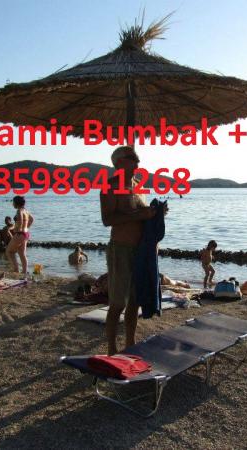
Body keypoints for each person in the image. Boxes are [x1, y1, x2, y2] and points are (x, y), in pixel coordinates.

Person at [100, 146, 157, 356]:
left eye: (137, 158)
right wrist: (140, 215)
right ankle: (111, 349)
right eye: (133, 158)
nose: (137, 162)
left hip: (141, 251)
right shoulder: (110, 186)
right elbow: (108, 219)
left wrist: (155, 214)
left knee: (135, 301)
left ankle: (130, 344)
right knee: (118, 302)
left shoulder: (138, 186)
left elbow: (141, 215)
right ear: (119, 162)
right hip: (121, 250)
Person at [6, 195, 34, 276]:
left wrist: (18, 230)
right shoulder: (26, 211)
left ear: (16, 203)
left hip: (20, 234)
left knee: (9, 251)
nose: (12, 204)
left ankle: (16, 269)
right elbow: (32, 219)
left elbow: (20, 220)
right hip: (26, 234)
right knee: (22, 253)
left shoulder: (19, 211)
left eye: (13, 202)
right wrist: (26, 227)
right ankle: (24, 271)